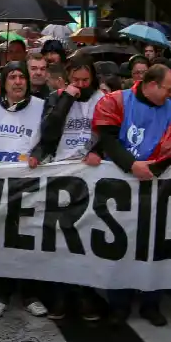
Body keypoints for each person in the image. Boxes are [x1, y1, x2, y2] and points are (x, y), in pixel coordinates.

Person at [93, 64, 171, 326]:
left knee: (154, 247)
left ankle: (151, 303)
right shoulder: (116, 101)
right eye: (168, 89)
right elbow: (108, 140)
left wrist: (156, 167)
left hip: (155, 185)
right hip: (121, 185)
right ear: (151, 85)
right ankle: (119, 304)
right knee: (120, 246)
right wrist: (131, 165)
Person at [0, 61, 48, 318]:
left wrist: (38, 154)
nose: (18, 82)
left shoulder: (41, 105)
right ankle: (0, 294)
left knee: (28, 239)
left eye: (22, 77)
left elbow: (49, 138)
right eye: (12, 77)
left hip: (28, 182)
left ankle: (31, 294)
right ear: (4, 82)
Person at [38, 59, 106, 321]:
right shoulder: (57, 98)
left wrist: (98, 151)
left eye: (85, 80)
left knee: (86, 236)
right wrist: (66, 99)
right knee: (60, 237)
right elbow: (48, 132)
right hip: (61, 174)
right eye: (75, 80)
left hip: (90, 175)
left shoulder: (103, 99)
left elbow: (111, 133)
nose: (80, 85)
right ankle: (61, 294)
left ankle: (85, 293)